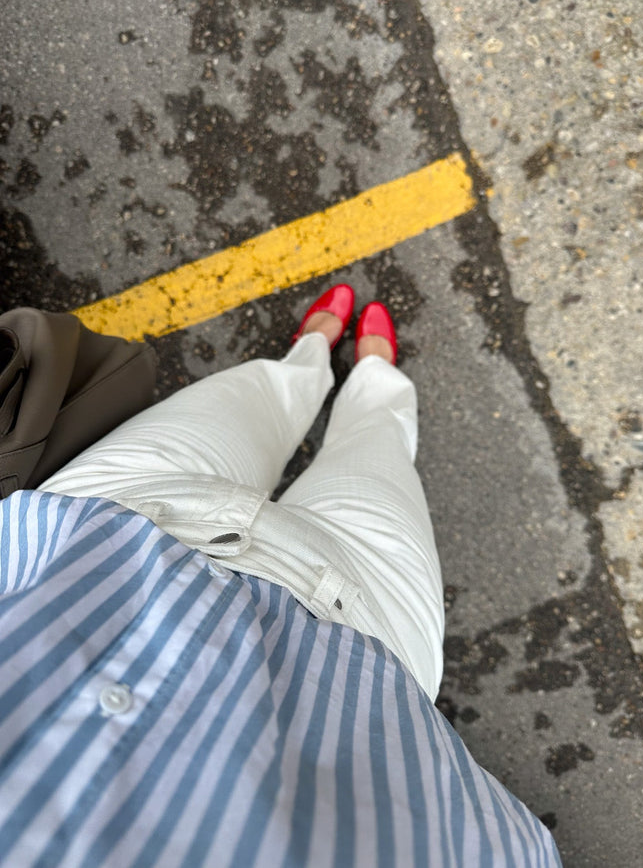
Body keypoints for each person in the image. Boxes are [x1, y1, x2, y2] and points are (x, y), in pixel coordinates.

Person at [0, 284, 561, 867]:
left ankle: (309, 358)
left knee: (260, 395)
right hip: (363, 624)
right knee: (379, 441)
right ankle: (373, 378)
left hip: (114, 511)